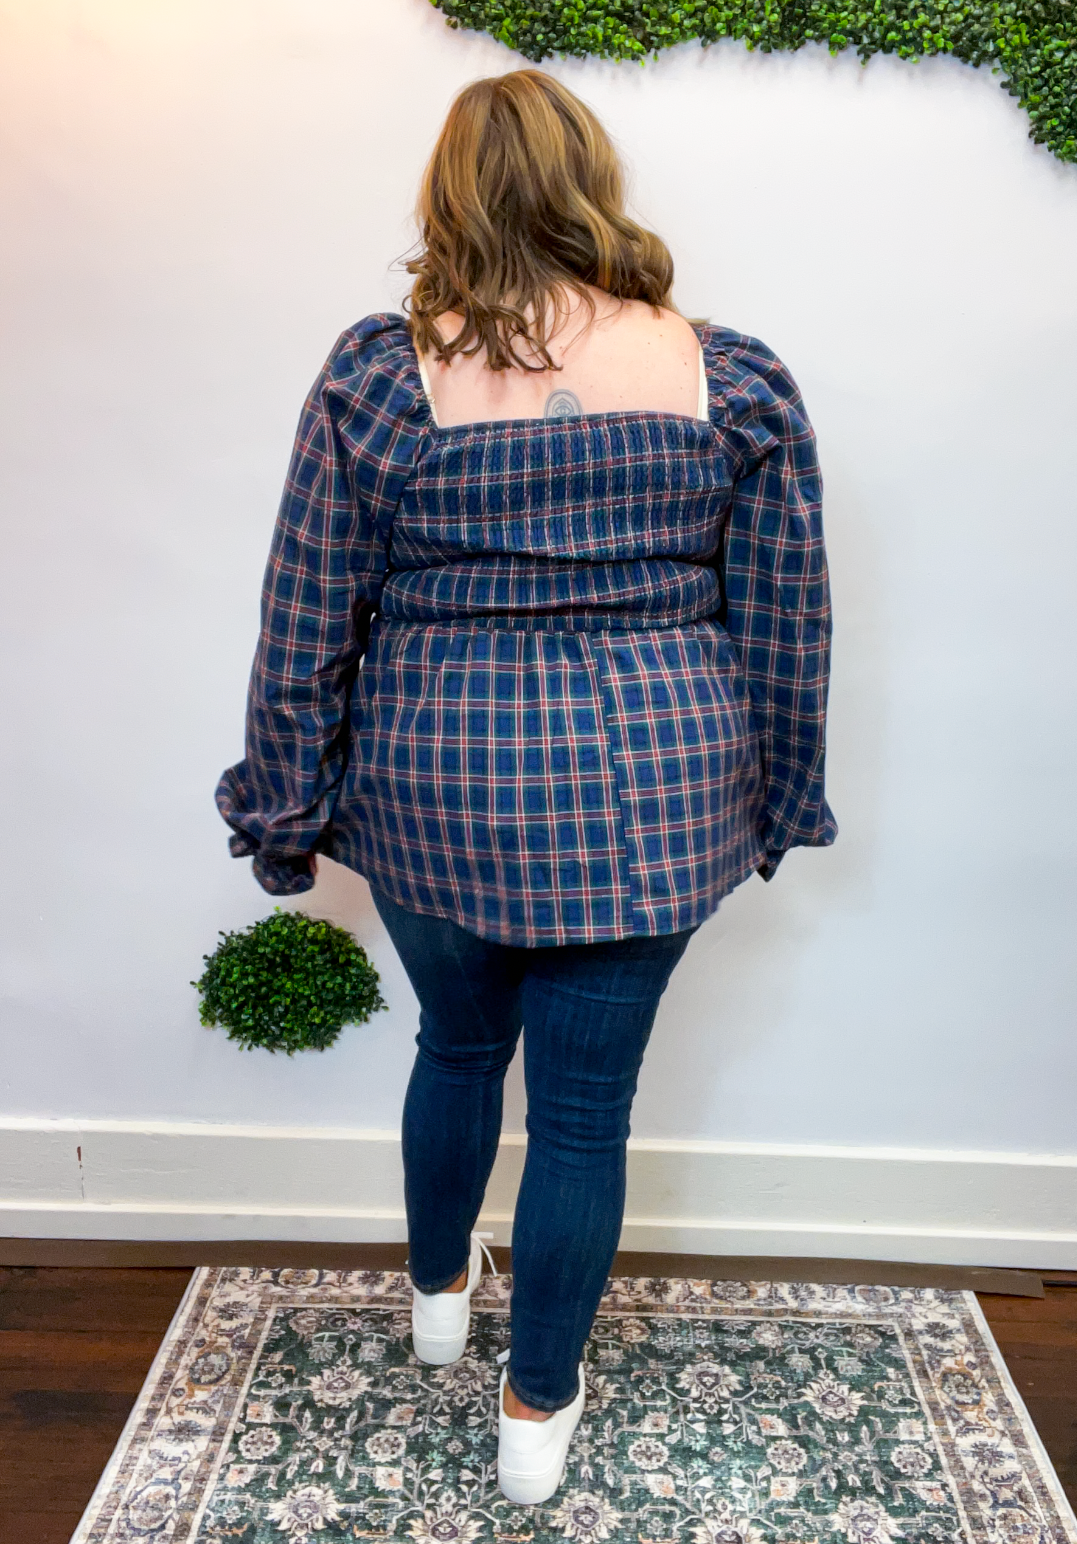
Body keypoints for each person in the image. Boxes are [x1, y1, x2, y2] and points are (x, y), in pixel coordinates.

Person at [216, 68, 835, 1505]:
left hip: (437, 782)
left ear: (447, 198)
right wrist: (779, 797)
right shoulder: (730, 378)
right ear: (590, 184)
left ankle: (438, 1301)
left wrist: (283, 812)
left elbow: (306, 615)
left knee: (454, 1048)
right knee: (581, 1117)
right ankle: (534, 1414)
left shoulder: (380, 376)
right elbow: (786, 620)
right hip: (657, 789)